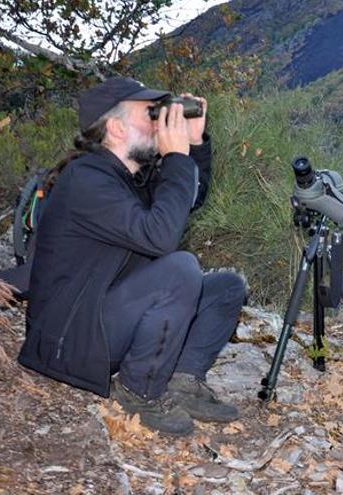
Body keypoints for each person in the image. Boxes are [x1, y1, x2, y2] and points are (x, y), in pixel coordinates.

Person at [17, 77, 247, 436]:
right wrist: (175, 155)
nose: (159, 122)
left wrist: (195, 143)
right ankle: (139, 390)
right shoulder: (86, 179)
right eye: (151, 114)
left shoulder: (130, 177)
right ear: (116, 128)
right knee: (180, 268)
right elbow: (161, 238)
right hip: (72, 340)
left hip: (104, 317)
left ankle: (183, 382)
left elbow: (186, 200)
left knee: (226, 288)